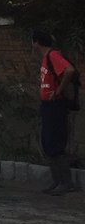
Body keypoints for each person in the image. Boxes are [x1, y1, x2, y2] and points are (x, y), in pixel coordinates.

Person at [32, 30, 78, 195]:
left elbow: (69, 70)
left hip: (56, 105)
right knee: (48, 142)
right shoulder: (47, 58)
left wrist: (58, 91)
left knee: (56, 142)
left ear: (36, 42)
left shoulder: (53, 56)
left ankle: (65, 182)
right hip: (48, 105)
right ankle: (57, 180)